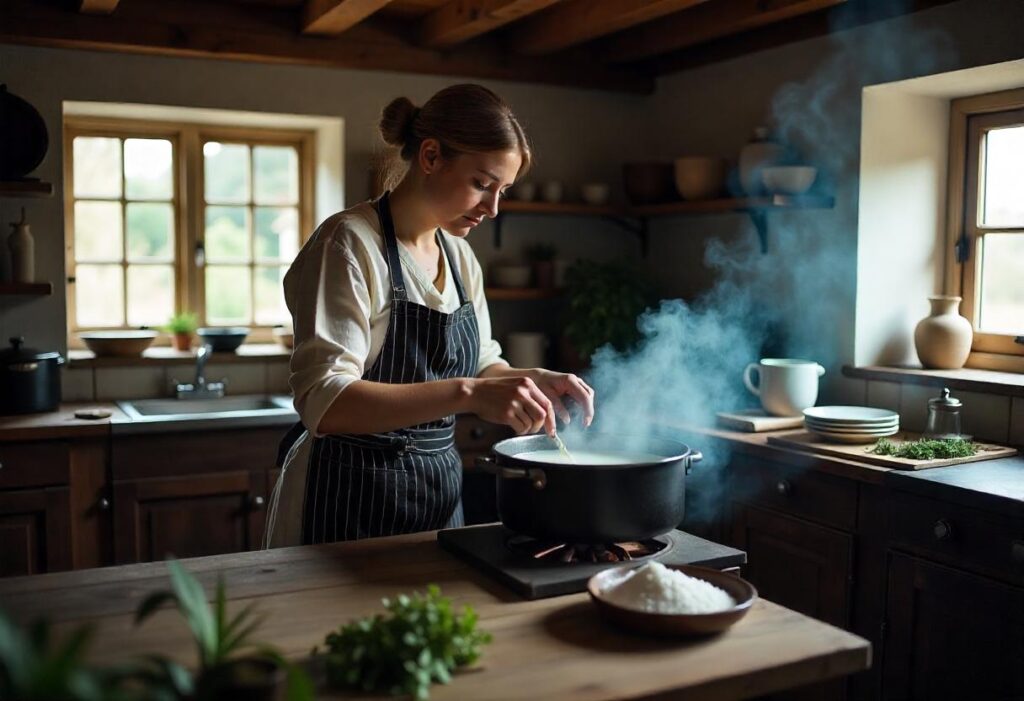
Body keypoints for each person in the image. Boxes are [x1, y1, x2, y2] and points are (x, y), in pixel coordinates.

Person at [264, 84, 595, 547]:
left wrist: (533, 378)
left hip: (436, 495)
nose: (493, 208)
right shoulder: (349, 244)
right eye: (482, 184)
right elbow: (326, 401)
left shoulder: (459, 258)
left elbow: (482, 365)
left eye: (502, 190)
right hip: (344, 500)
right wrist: (470, 393)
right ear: (432, 156)